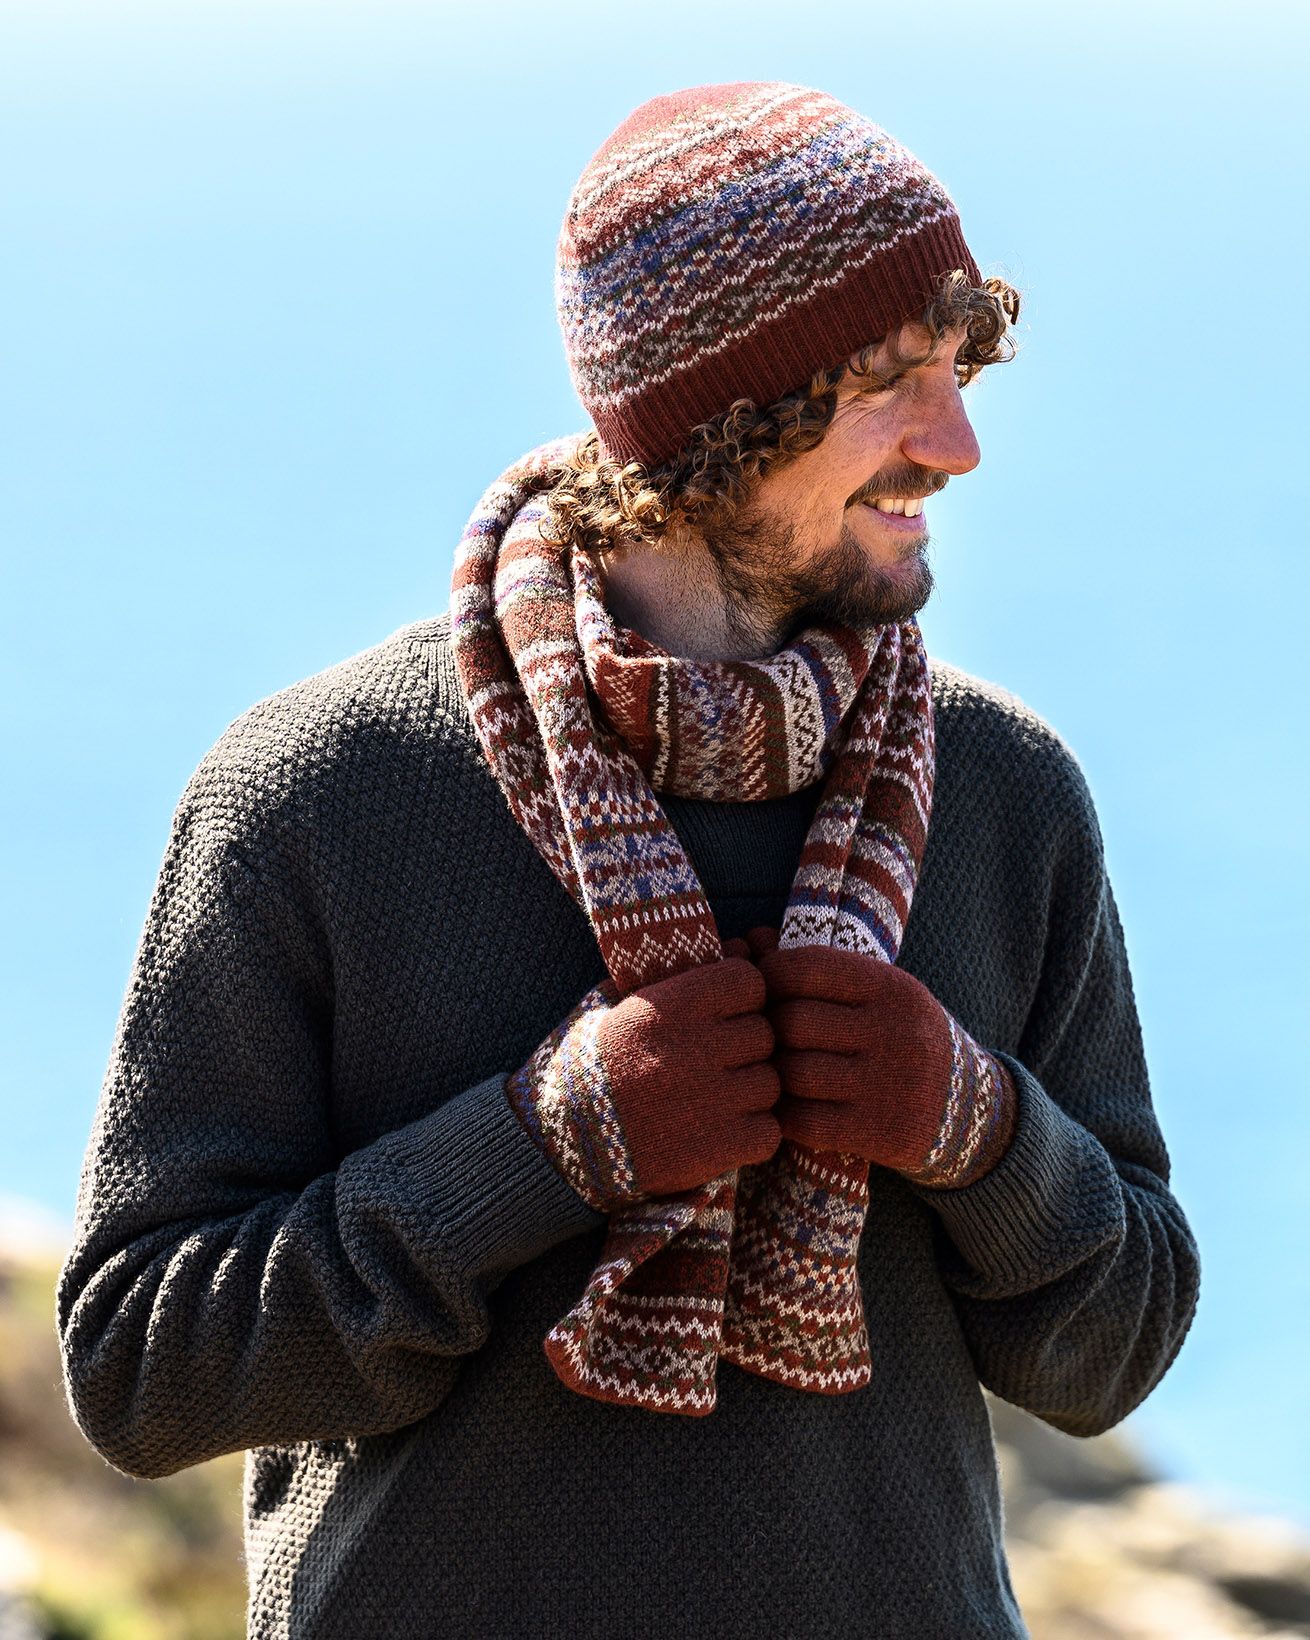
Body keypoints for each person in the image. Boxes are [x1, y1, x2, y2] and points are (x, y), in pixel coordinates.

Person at [57, 81, 1201, 1639]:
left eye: (962, 368)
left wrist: (979, 1131)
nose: (958, 443)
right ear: (711, 413)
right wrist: (542, 1147)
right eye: (888, 382)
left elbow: (1115, 1342)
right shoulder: (319, 792)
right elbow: (142, 1371)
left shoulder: (1001, 793)